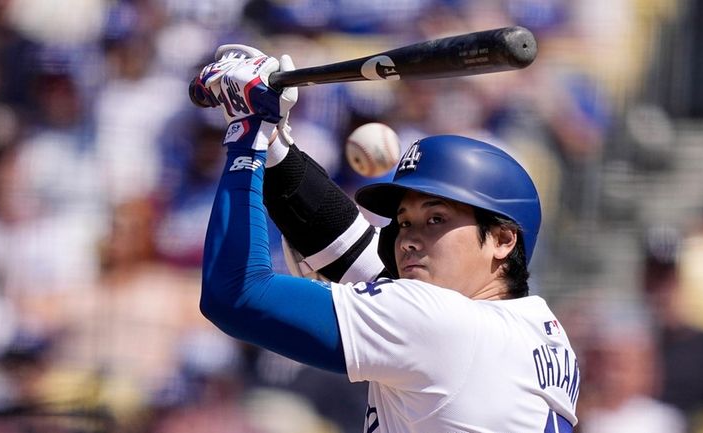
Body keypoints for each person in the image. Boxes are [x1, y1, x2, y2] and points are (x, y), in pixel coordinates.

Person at [194, 44, 580, 432]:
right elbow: (356, 254)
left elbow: (236, 293)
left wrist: (248, 138)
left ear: (502, 240)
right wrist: (274, 143)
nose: (408, 240)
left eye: (436, 219)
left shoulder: (439, 323)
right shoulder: (540, 332)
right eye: (404, 222)